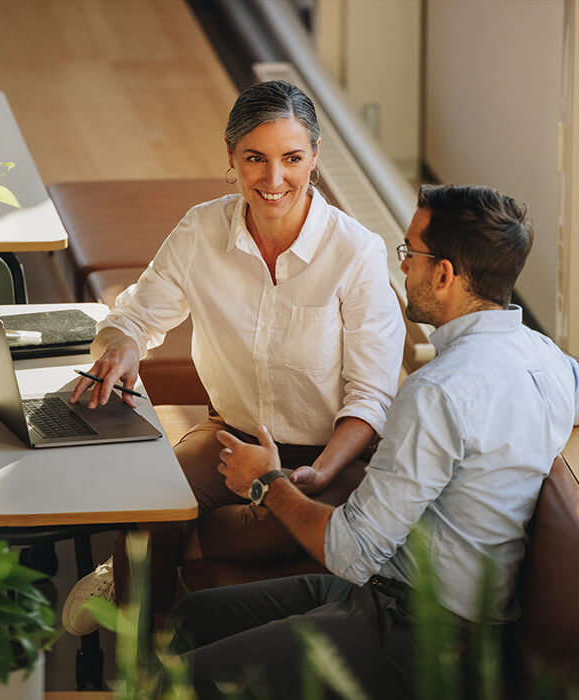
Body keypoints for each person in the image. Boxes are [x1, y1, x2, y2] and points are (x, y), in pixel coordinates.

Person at [167, 184, 579, 697]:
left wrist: (266, 482)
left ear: (445, 274)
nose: (402, 267)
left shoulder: (438, 392)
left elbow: (350, 550)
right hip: (395, 594)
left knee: (179, 683)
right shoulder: (543, 358)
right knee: (193, 616)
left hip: (420, 636)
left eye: (410, 254)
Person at [61, 79, 406, 634]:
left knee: (250, 525)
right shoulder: (201, 230)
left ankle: (147, 565)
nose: (274, 180)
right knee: (149, 502)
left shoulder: (356, 253)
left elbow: (371, 397)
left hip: (331, 455)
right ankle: (141, 670)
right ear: (231, 158)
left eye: (292, 158)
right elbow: (134, 318)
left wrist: (315, 474)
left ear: (315, 158)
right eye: (255, 158)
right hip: (231, 437)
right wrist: (122, 346)